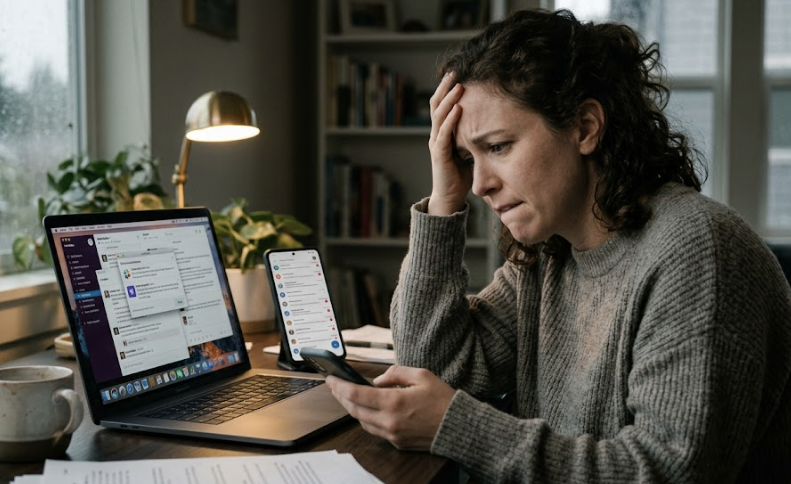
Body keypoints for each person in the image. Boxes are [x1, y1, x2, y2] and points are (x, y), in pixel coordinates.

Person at [325, 8, 791, 483]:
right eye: (467, 157)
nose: (480, 184)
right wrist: (444, 201)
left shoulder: (697, 252)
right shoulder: (549, 254)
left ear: (585, 127)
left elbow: (667, 472)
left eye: (499, 146)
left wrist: (459, 427)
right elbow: (433, 371)